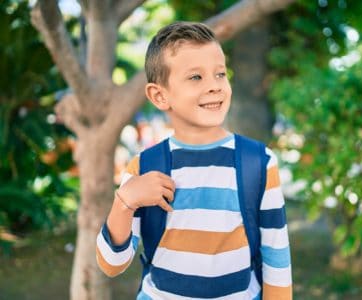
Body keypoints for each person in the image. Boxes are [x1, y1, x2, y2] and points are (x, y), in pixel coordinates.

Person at [96, 21, 292, 299]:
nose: (214, 86)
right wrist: (124, 201)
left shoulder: (259, 162)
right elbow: (111, 265)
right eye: (196, 77)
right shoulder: (143, 167)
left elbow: (277, 260)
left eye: (220, 74)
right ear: (159, 96)